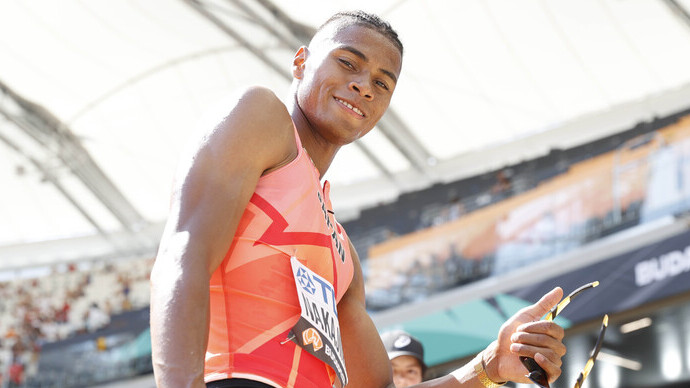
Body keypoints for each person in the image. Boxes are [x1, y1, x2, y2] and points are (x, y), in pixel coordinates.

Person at [150, 10, 566, 388]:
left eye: (382, 83)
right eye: (348, 63)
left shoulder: (342, 254)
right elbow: (182, 256)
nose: (364, 86)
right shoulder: (260, 116)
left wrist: (490, 365)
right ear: (300, 63)